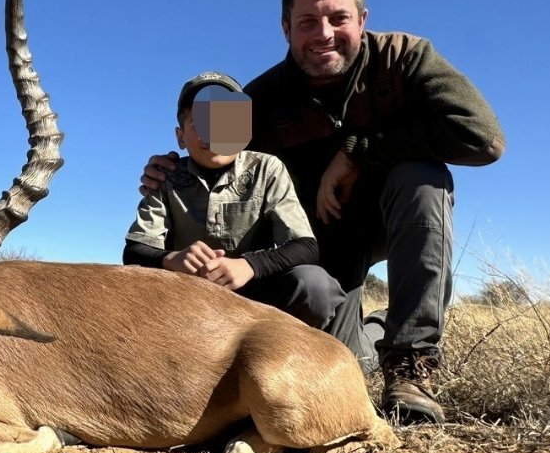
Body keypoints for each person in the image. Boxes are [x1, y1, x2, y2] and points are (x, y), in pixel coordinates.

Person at [141, 0, 505, 424]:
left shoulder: (406, 58)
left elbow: (484, 139)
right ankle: (376, 333)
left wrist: (359, 152)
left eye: (339, 19)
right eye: (308, 22)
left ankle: (410, 367)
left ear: (363, 19)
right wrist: (168, 170)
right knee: (343, 356)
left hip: (396, 219)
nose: (324, 34)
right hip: (317, 239)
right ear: (286, 29)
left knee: (422, 179)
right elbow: (216, 156)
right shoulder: (261, 97)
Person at [124, 70, 381, 372]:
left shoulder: (267, 168)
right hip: (191, 304)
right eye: (200, 124)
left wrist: (248, 266)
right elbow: (134, 251)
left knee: (315, 288)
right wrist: (172, 259)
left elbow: (305, 246)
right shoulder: (165, 177)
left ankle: (376, 327)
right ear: (181, 136)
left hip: (258, 301)